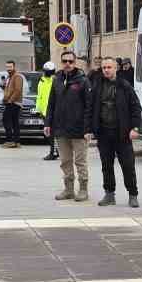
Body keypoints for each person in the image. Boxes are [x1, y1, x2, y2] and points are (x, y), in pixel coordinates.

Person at [85, 55, 141, 207]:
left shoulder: (124, 85)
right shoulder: (97, 86)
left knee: (128, 166)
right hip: (103, 133)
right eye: (104, 67)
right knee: (106, 166)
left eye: (109, 67)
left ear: (116, 68)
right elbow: (90, 109)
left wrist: (135, 127)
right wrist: (88, 129)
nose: (106, 70)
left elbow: (136, 107)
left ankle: (133, 194)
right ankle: (109, 194)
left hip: (122, 133)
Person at [46, 53, 91, 200]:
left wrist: (88, 129)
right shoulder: (57, 80)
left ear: (75, 62)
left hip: (79, 130)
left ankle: (83, 190)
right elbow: (51, 103)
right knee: (65, 161)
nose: (67, 64)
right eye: (65, 61)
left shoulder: (83, 80)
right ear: (61, 62)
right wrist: (48, 123)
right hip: (61, 128)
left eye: (70, 61)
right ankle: (69, 189)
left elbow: (89, 106)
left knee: (80, 161)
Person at [39, 58, 59, 160]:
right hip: (44, 111)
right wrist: (38, 109)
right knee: (49, 134)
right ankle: (55, 151)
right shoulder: (42, 80)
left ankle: (53, 152)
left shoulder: (55, 81)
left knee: (52, 134)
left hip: (52, 111)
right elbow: (40, 96)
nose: (47, 73)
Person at [1, 61, 24, 148]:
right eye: (7, 67)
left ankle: (10, 141)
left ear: (14, 67)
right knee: (14, 122)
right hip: (10, 102)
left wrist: (10, 100)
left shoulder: (17, 76)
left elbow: (18, 90)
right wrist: (3, 85)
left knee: (6, 120)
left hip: (14, 103)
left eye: (10, 67)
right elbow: (8, 89)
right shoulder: (9, 77)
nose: (9, 69)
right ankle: (16, 142)